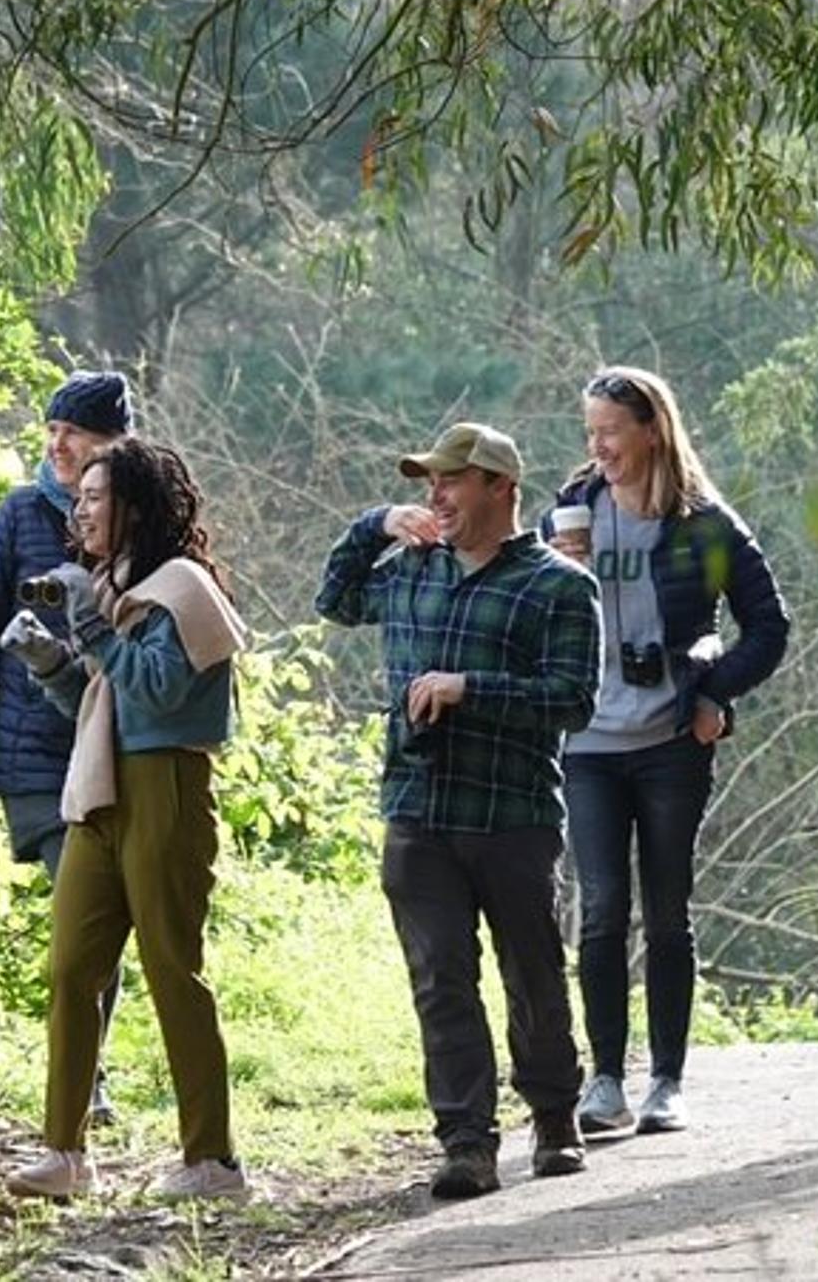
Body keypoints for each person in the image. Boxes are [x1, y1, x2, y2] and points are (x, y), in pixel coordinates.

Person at [315, 422, 601, 1200]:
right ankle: (467, 1141)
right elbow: (333, 597)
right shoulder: (410, 569)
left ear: (501, 488)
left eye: (451, 480)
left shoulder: (560, 585)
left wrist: (469, 687)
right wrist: (374, 524)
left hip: (511, 812)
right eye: (427, 483)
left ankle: (554, 1116)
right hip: (416, 807)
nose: (434, 494)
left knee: (533, 969)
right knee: (440, 978)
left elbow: (575, 700)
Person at [542, 367, 790, 1135]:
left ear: (651, 428)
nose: (599, 446)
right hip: (587, 741)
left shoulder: (703, 523)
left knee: (667, 910)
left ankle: (669, 1080)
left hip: (671, 741)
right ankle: (606, 1079)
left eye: (611, 431)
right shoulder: (572, 508)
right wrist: (558, 582)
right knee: (603, 907)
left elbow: (769, 625)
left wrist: (715, 695)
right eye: (591, 432)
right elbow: (527, 605)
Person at [0, 438, 248, 1200]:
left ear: (136, 505)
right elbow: (103, 702)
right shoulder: (112, 590)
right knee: (72, 966)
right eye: (80, 499)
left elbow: (159, 694)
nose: (82, 510)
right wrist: (49, 662)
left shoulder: (184, 590)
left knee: (174, 967)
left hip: (167, 785)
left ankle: (212, 1160)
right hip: (99, 791)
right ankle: (65, 1152)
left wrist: (95, 628)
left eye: (97, 496)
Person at [0, 370, 134, 1121]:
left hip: (118, 740)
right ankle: (81, 1084)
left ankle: (86, 1074)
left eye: (74, 432)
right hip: (36, 752)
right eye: (51, 429)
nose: (57, 444)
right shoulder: (22, 512)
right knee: (79, 912)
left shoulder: (142, 515)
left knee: (103, 918)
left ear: (112, 444)